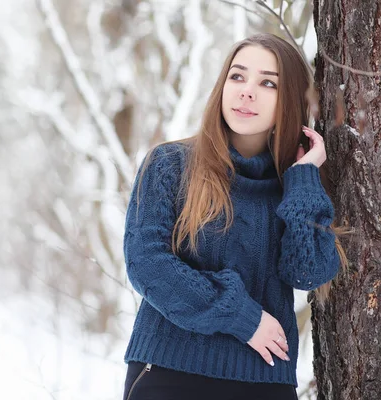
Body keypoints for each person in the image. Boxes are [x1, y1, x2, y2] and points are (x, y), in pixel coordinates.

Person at [121, 33, 348, 400]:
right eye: (237, 76)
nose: (246, 91)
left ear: (289, 99)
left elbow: (308, 272)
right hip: (170, 372)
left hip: (265, 382)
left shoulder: (294, 184)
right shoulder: (169, 165)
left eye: (268, 83)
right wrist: (243, 317)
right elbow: (146, 263)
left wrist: (304, 178)